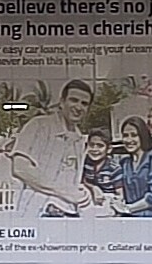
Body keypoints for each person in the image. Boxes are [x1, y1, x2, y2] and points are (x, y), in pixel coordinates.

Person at [6, 80, 97, 217]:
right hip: (36, 210)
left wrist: (91, 189)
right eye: (74, 100)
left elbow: (71, 179)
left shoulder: (80, 139)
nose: (78, 107)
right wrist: (64, 192)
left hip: (68, 211)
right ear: (62, 102)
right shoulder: (38, 125)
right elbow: (20, 168)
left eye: (84, 103)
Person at [110, 117, 152, 218]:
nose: (129, 140)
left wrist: (128, 209)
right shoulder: (124, 163)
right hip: (134, 219)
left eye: (134, 135)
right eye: (125, 135)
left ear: (142, 136)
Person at [81, 130, 124, 207]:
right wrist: (93, 188)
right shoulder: (85, 163)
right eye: (91, 145)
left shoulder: (114, 168)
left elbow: (120, 195)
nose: (94, 149)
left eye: (100, 146)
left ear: (109, 149)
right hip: (89, 201)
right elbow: (82, 182)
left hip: (109, 203)